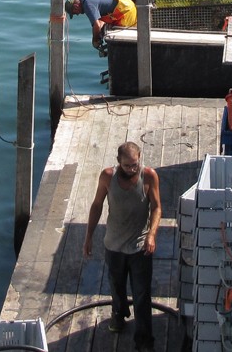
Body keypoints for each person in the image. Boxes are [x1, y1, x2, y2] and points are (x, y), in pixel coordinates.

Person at [83, 142, 161, 352]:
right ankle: (119, 315)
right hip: (114, 246)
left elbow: (156, 208)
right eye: (127, 166)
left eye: (135, 165)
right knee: (116, 287)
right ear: (118, 163)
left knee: (142, 294)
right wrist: (88, 235)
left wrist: (151, 235)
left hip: (139, 248)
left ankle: (144, 340)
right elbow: (97, 205)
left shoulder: (149, 176)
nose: (132, 169)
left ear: (140, 159)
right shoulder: (107, 177)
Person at [65, 0, 137, 50]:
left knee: (124, 35)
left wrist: (94, 40)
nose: (77, 14)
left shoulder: (88, 5)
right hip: (127, 3)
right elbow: (100, 21)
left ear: (76, 6)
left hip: (126, 11)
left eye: (74, 13)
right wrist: (99, 36)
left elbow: (96, 25)